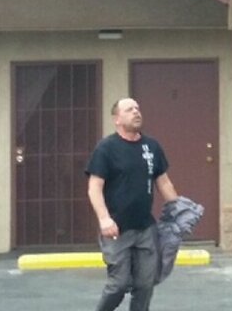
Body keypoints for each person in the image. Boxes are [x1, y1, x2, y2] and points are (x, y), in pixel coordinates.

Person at [86, 98, 178, 311]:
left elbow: (163, 182)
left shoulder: (151, 146)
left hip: (145, 228)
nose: (136, 112)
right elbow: (94, 187)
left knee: (145, 285)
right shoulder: (106, 148)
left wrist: (177, 210)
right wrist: (104, 219)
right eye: (129, 110)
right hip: (116, 230)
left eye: (137, 108)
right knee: (118, 285)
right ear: (117, 119)